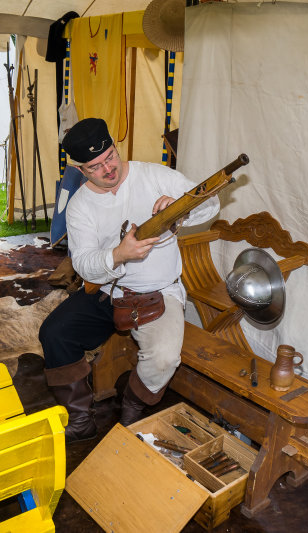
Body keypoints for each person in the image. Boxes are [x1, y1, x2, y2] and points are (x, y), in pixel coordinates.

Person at [38, 118, 220, 441]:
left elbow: (212, 202)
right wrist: (119, 255)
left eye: (110, 156)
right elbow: (82, 264)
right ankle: (80, 419)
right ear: (81, 171)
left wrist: (180, 210)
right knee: (54, 333)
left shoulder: (154, 175)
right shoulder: (79, 206)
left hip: (157, 293)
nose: (108, 168)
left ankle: (132, 407)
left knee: (164, 358)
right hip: (109, 291)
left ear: (114, 146)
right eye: (96, 167)